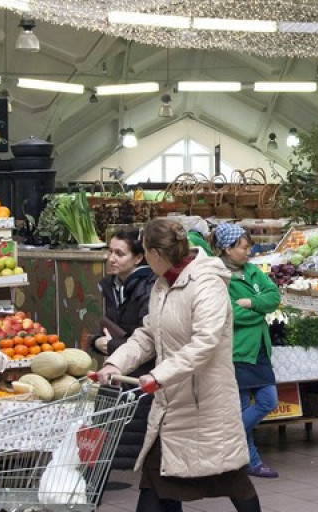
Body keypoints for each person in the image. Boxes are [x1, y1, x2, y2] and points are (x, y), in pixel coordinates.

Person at [98, 218, 261, 512]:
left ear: (155, 255)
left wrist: (159, 376)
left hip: (206, 408)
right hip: (171, 408)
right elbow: (149, 333)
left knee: (234, 483)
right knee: (156, 487)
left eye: (145, 253)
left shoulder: (206, 284)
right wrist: (115, 364)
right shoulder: (162, 285)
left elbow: (205, 343)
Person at [92, 228, 168, 482]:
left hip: (140, 376)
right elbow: (113, 327)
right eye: (110, 251)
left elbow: (147, 335)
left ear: (139, 258)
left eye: (119, 253)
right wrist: (98, 342)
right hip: (121, 372)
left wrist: (111, 346)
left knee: (146, 459)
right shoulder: (114, 286)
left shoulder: (149, 288)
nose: (111, 258)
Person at [212, 223, 282, 479]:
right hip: (236, 351)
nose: (249, 252)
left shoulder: (252, 271)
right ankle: (251, 462)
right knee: (242, 409)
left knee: (268, 401)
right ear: (227, 249)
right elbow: (228, 313)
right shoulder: (217, 277)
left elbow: (274, 297)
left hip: (260, 349)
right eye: (243, 247)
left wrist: (252, 303)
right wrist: (258, 314)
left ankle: (226, 443)